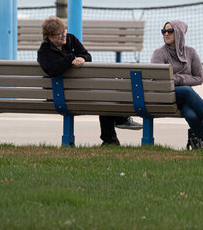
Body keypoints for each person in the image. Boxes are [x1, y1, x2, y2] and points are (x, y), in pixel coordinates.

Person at [37, 16, 142, 146]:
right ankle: (118, 123)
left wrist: (82, 58)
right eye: (60, 33)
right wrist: (71, 58)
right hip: (59, 96)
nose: (64, 35)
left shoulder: (71, 39)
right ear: (50, 37)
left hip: (77, 91)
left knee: (105, 94)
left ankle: (111, 139)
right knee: (103, 97)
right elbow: (53, 69)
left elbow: (87, 56)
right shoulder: (44, 51)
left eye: (64, 31)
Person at [151, 20, 203, 150]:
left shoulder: (190, 52)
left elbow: (199, 79)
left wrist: (176, 79)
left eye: (170, 31)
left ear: (179, 33)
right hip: (164, 95)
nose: (166, 34)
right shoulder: (159, 53)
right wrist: (183, 78)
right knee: (186, 90)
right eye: (164, 31)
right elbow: (158, 80)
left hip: (184, 98)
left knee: (192, 115)